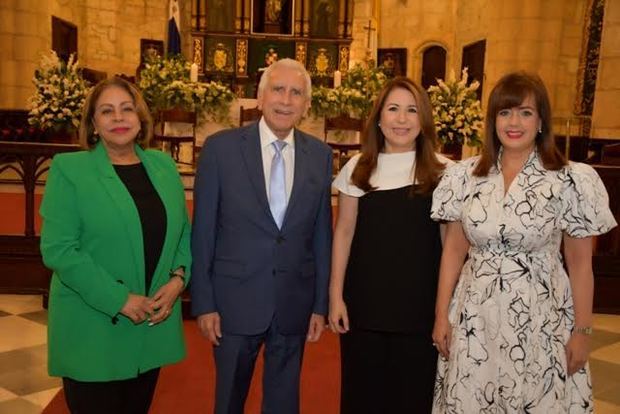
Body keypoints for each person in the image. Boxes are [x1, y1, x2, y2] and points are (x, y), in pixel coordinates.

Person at [430, 71, 617, 413]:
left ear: (541, 121)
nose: (514, 122)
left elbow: (579, 264)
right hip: (475, 316)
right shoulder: (464, 176)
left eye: (525, 112)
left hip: (542, 317)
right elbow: (454, 251)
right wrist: (442, 315)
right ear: (493, 121)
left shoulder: (569, 179)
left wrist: (583, 331)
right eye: (505, 112)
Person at [40, 77, 191, 414]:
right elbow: (59, 249)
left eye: (127, 109)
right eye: (107, 111)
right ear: (93, 124)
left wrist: (178, 278)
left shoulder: (163, 166)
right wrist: (119, 299)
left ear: (141, 118)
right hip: (94, 327)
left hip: (150, 325)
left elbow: (183, 232)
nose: (119, 118)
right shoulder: (70, 170)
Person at [191, 58, 333, 414]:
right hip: (234, 299)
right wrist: (204, 302)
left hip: (293, 301)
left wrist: (320, 305)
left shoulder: (320, 155)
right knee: (228, 401)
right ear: (259, 96)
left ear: (307, 104)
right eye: (278, 89)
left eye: (296, 93)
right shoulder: (220, 149)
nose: (286, 100)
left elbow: (321, 234)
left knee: (284, 403)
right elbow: (203, 230)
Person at [328, 77, 452, 413]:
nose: (401, 119)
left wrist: (445, 310)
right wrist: (335, 296)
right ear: (378, 118)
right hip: (364, 306)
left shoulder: (445, 172)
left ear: (423, 119)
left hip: (419, 311)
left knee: (413, 398)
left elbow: (450, 247)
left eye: (411, 110)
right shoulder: (357, 167)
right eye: (393, 109)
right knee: (363, 397)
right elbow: (344, 233)